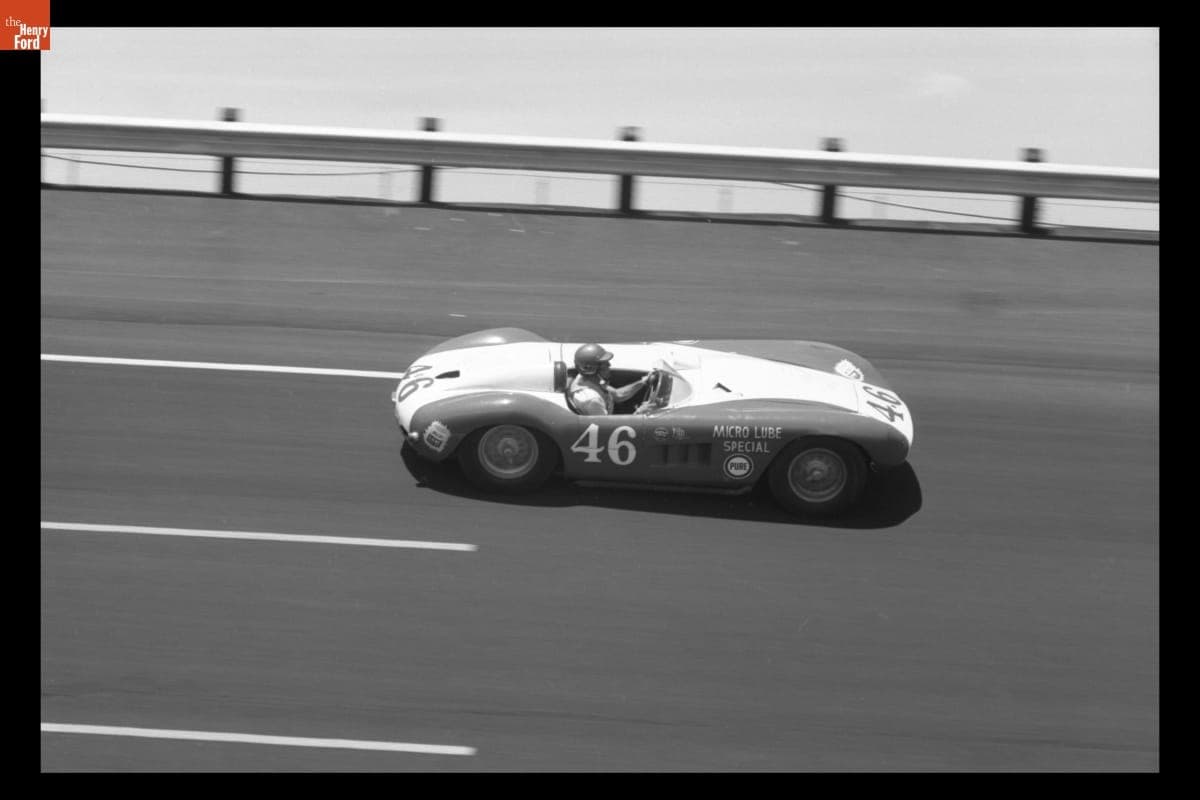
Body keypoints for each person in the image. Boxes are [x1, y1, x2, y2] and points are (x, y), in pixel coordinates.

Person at [566, 343, 655, 415]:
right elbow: (605, 430)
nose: (609, 365)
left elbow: (617, 395)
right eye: (605, 364)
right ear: (593, 369)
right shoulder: (592, 400)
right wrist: (639, 413)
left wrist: (644, 382)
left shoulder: (587, 379)